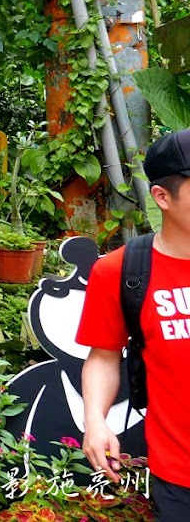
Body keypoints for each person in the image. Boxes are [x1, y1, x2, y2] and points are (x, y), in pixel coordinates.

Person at [78, 128, 190, 520]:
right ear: (163, 197)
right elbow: (104, 356)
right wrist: (95, 419)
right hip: (179, 479)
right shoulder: (121, 272)